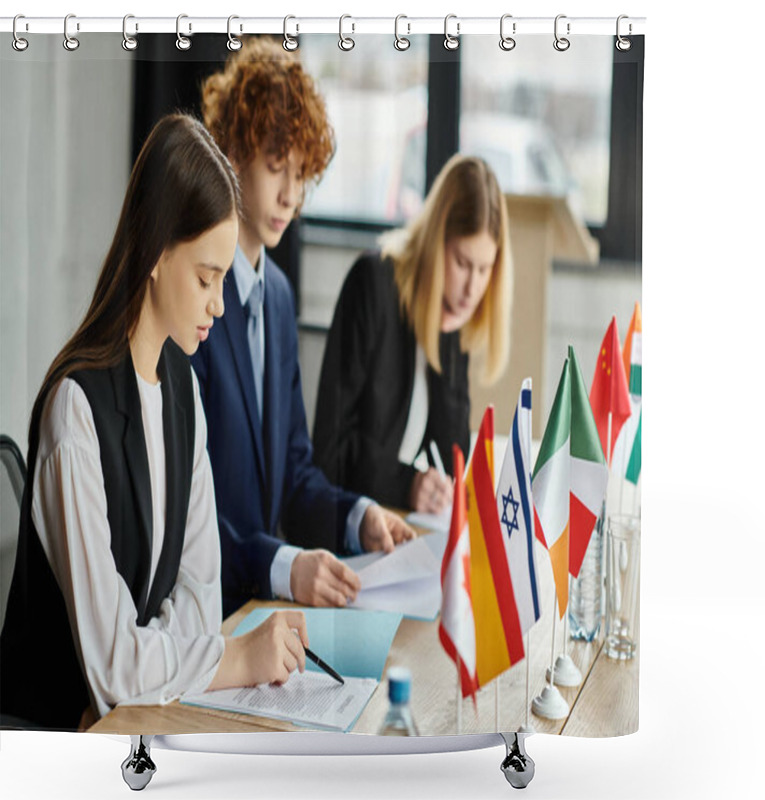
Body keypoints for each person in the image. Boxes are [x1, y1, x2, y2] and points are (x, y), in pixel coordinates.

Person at [0, 114, 310, 732]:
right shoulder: (74, 410)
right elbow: (113, 666)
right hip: (57, 741)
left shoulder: (184, 389)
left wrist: (154, 665)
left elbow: (200, 598)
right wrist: (233, 656)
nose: (219, 304)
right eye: (205, 278)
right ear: (155, 251)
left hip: (138, 721)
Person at [195, 36, 414, 619]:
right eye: (275, 167)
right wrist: (284, 565)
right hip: (200, 611)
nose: (290, 195)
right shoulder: (192, 300)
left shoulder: (280, 299)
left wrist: (356, 515)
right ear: (233, 150)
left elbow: (293, 472)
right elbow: (185, 506)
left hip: (259, 610)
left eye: (301, 173)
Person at [312, 154, 513, 514]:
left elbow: (453, 461)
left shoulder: (453, 310)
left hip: (399, 526)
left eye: (485, 269)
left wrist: (447, 349)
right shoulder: (373, 283)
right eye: (463, 264)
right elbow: (331, 451)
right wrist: (408, 485)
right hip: (350, 527)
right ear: (436, 242)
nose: (472, 287)